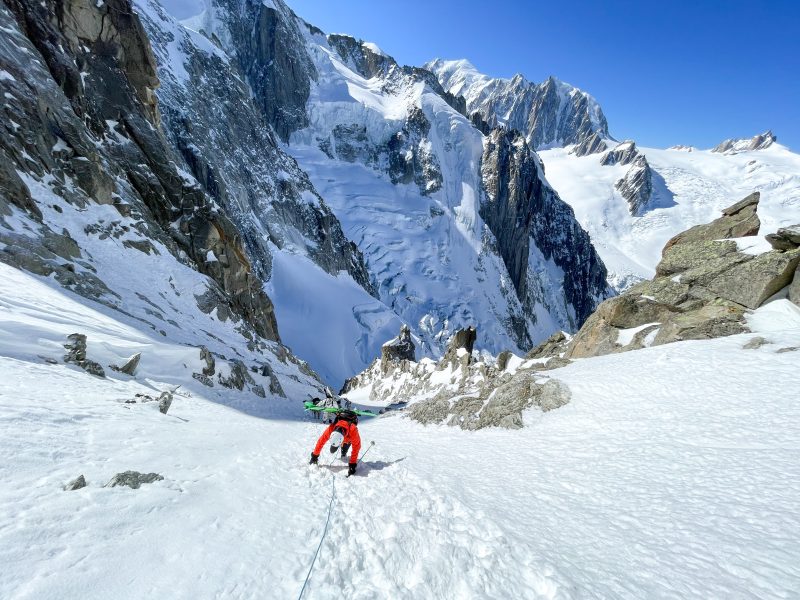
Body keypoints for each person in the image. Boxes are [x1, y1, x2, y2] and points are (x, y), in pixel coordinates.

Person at [309, 410, 361, 476]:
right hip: (339, 438)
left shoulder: (353, 430)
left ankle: (343, 453)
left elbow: (356, 446)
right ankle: (337, 446)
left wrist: (352, 464)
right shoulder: (331, 428)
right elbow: (321, 441)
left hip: (348, 439)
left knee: (345, 448)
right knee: (332, 451)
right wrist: (314, 456)